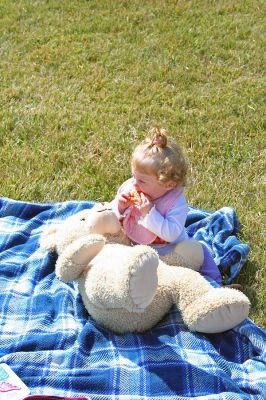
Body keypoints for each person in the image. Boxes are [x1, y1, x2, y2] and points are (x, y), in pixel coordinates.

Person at [111, 127, 224, 285]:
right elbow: (114, 215)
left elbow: (171, 234)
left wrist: (150, 213)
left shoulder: (176, 203)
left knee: (201, 250)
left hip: (169, 251)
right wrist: (120, 208)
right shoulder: (133, 186)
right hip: (135, 246)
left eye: (142, 181)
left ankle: (215, 284)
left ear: (169, 185)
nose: (134, 183)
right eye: (133, 176)